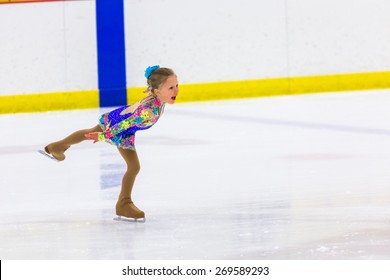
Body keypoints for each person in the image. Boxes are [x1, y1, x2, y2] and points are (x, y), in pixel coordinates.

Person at [39, 66, 179, 222]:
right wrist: (104, 135)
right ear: (158, 91)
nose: (176, 91)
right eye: (171, 88)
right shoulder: (149, 111)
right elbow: (125, 124)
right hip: (117, 125)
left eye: (177, 86)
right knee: (128, 162)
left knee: (130, 164)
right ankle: (124, 204)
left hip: (126, 130)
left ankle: (57, 147)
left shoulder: (158, 99)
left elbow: (136, 114)